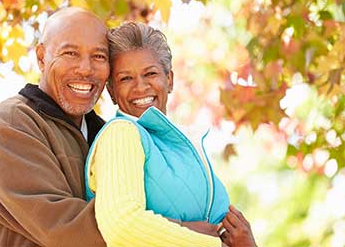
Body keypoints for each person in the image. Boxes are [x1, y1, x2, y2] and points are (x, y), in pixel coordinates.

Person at [85, 22, 257, 247]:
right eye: (126, 78)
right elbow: (122, 225)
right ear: (112, 92)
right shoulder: (121, 134)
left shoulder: (181, 147)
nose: (140, 86)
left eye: (151, 73)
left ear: (170, 80)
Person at [0, 7, 110, 246]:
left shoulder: (109, 135)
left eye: (99, 56)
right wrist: (178, 231)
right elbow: (67, 230)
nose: (86, 69)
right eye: (70, 53)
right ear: (42, 58)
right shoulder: (9, 124)